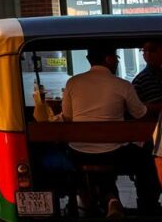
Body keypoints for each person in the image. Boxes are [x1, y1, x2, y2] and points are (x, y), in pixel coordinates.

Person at [63, 46, 161, 218]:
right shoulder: (122, 85)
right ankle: (148, 207)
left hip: (79, 153)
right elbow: (140, 114)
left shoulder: (73, 82)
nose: (117, 61)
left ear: (89, 59)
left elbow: (67, 117)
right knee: (146, 159)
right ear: (108, 59)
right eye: (116, 58)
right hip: (114, 154)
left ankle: (108, 198)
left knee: (88, 154)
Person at [134, 41, 162, 110]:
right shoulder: (139, 80)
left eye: (152, 50)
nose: (147, 54)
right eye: (144, 51)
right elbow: (136, 108)